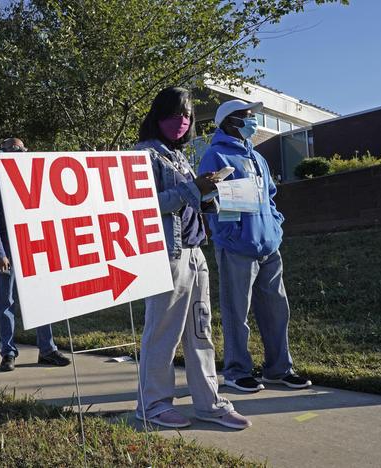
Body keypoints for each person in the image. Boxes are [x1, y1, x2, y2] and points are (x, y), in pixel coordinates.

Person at [133, 87, 250, 430]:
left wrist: (207, 196)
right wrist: (192, 190)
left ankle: (208, 401)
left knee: (201, 330)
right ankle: (152, 403)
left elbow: (186, 202)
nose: (182, 122)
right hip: (166, 255)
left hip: (196, 251)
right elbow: (147, 207)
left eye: (186, 115)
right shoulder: (144, 155)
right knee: (163, 332)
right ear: (157, 116)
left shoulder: (180, 156)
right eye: (174, 114)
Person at [198, 99, 311, 392]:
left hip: (268, 246)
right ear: (229, 122)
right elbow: (210, 199)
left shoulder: (258, 158)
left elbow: (270, 196)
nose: (252, 122)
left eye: (252, 117)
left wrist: (276, 225)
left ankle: (279, 369)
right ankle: (237, 371)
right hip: (236, 247)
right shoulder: (216, 155)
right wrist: (231, 234)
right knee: (237, 312)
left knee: (276, 310)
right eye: (246, 117)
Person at [0, 138, 71, 372]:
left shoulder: (37, 179)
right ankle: (8, 353)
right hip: (9, 252)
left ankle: (47, 350)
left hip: (35, 248)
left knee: (43, 300)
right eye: (10, 151)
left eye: (19, 150)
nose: (15, 154)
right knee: (6, 303)